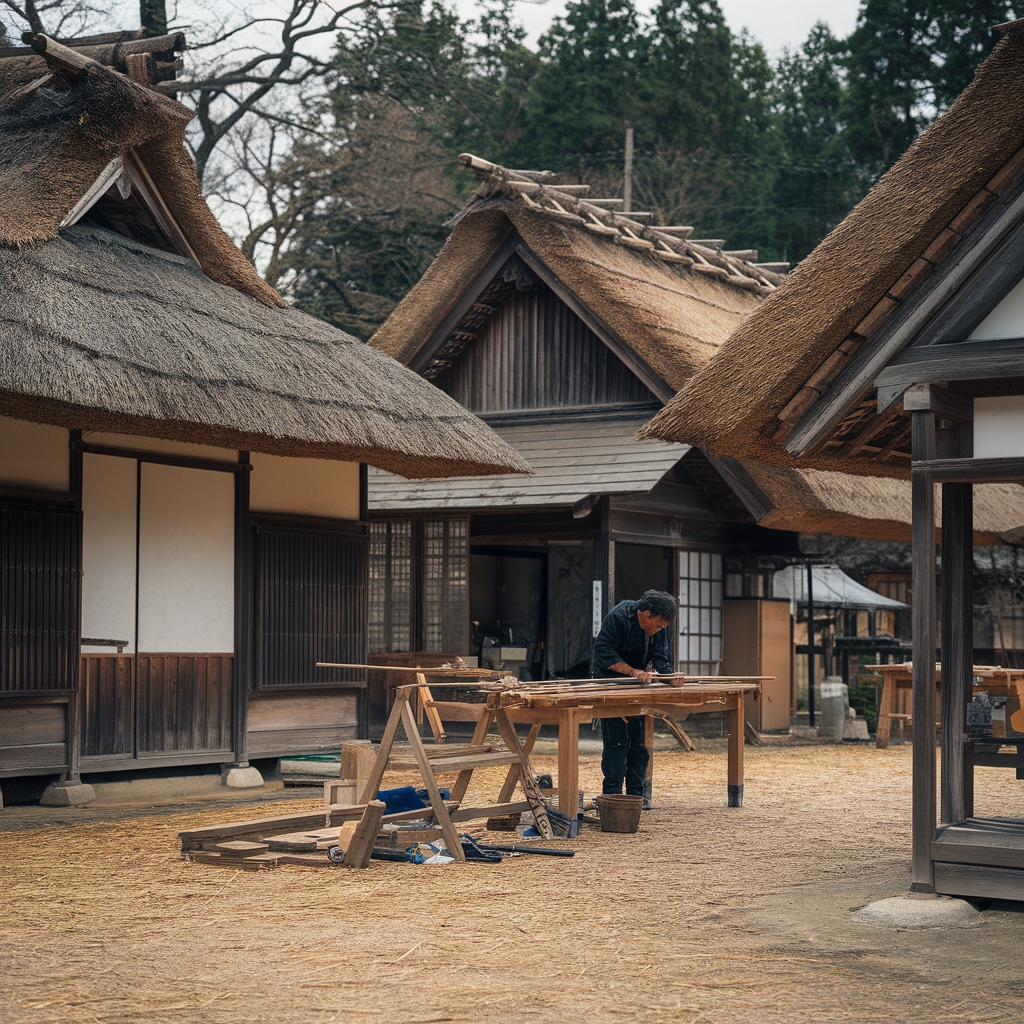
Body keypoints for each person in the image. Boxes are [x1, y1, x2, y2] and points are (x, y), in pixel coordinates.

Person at [592, 589, 678, 805]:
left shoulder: (659, 628)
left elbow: (660, 657)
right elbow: (603, 651)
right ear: (646, 614)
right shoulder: (618, 616)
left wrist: (670, 677)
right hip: (610, 683)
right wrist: (633, 672)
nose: (659, 630)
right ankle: (612, 796)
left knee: (639, 744)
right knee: (616, 743)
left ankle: (636, 797)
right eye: (658, 625)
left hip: (638, 685)